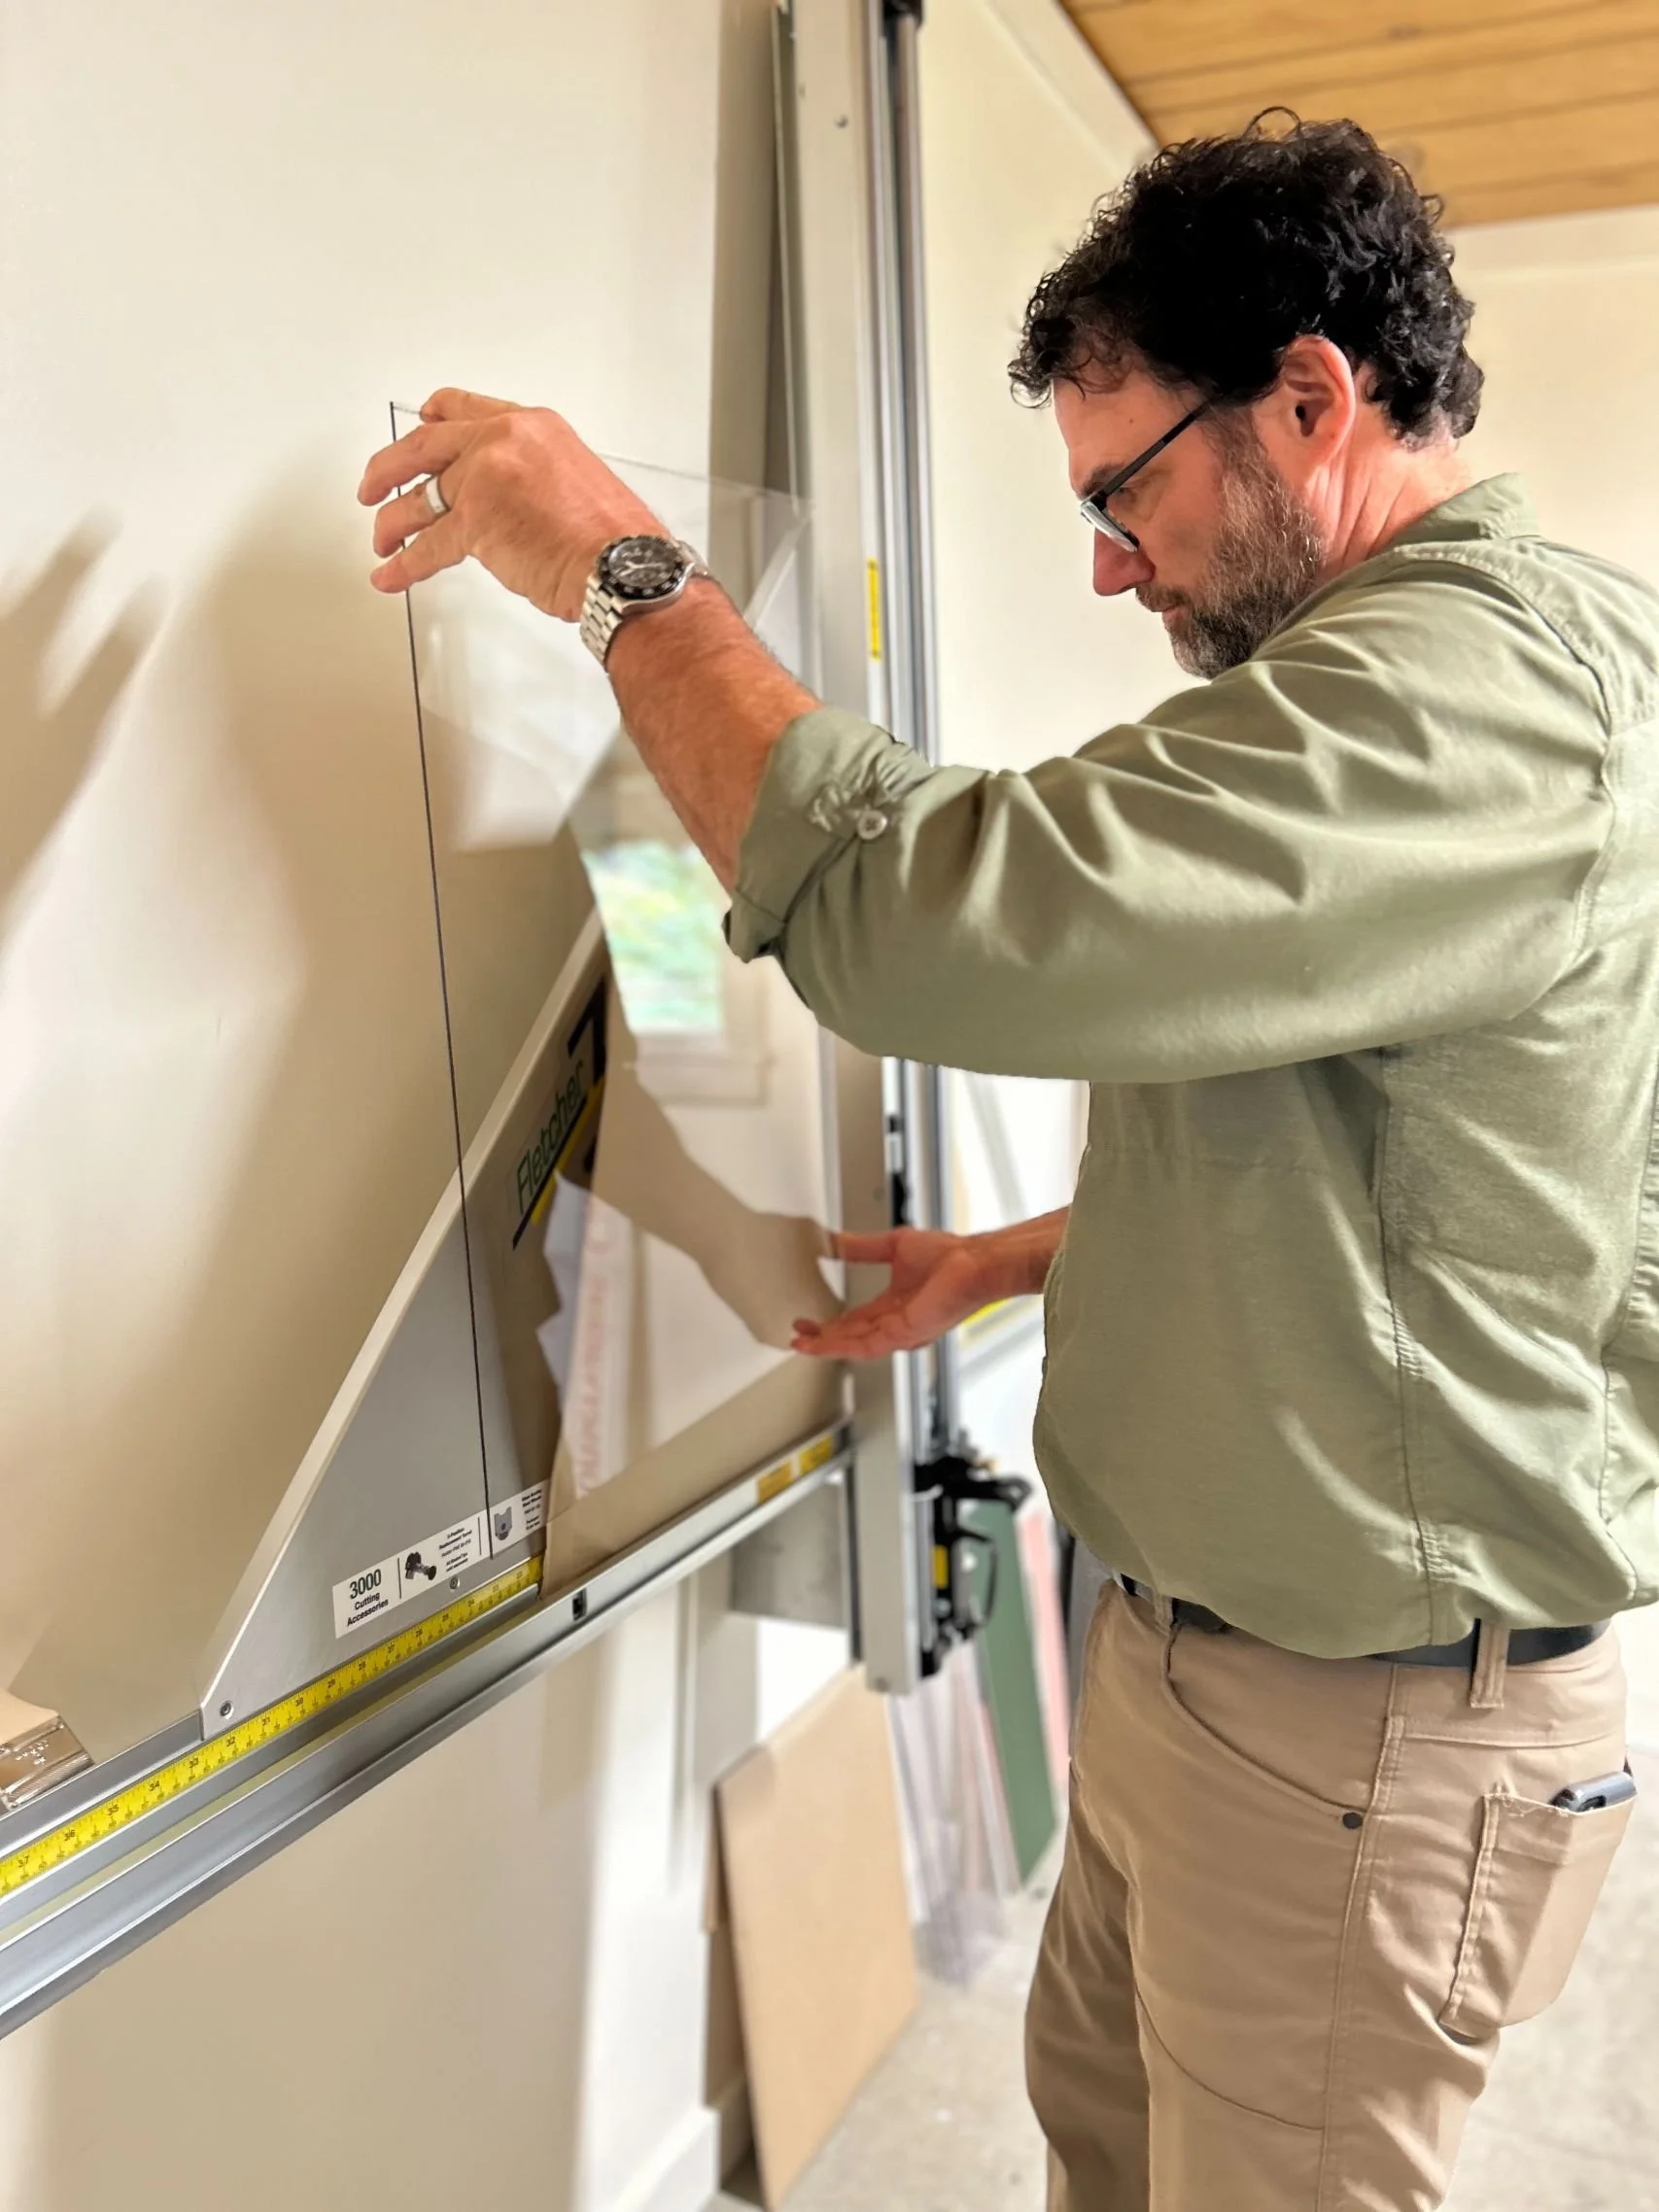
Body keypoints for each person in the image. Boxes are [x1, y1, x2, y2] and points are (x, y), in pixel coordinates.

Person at [359, 115, 1657, 2212]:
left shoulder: (1463, 700)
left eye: (1122, 488)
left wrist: (626, 573)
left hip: (1355, 1732)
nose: (1107, 565)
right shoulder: (1461, 674)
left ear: (1307, 401)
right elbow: (1452, 1163)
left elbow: (928, 919)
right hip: (1214, 1670)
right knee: (1106, 2158)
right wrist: (1026, 1253)